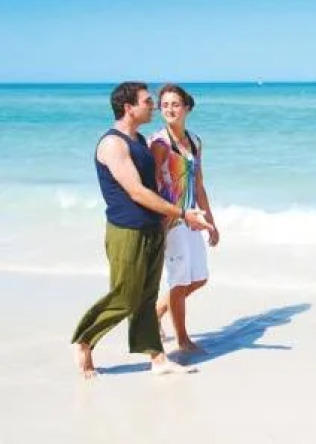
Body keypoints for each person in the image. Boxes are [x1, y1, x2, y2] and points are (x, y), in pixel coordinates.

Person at [71, 82, 213, 378]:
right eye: (148, 101)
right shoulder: (113, 144)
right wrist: (181, 214)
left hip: (152, 226)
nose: (154, 106)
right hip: (128, 229)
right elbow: (136, 191)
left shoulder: (137, 139)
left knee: (148, 296)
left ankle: (157, 359)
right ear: (129, 108)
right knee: (126, 296)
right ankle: (84, 340)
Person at [150, 84, 219, 354]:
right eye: (165, 105)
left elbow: (198, 185)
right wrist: (159, 221)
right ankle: (182, 340)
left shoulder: (195, 141)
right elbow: (152, 184)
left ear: (187, 108)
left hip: (191, 217)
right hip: (170, 219)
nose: (169, 109)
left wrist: (211, 222)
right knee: (178, 282)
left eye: (175, 104)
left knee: (199, 278)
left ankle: (156, 313)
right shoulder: (159, 143)